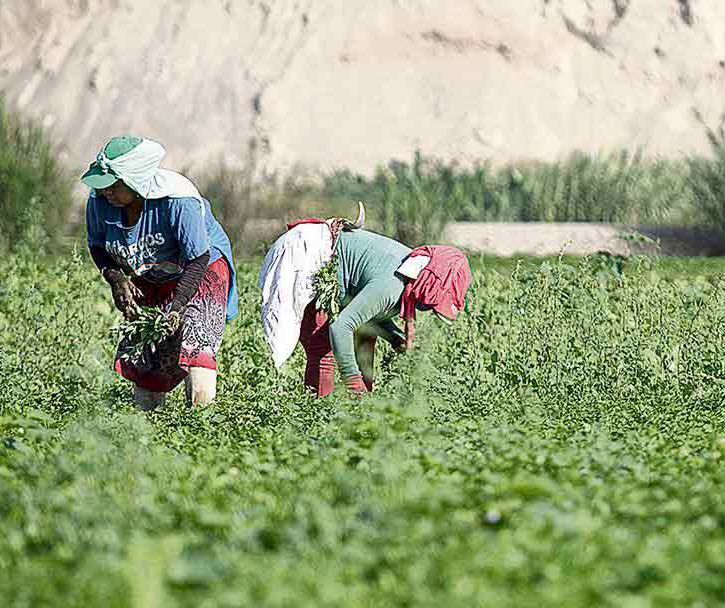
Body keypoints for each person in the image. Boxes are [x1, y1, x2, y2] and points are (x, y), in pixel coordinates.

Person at [80, 136, 237, 410]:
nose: (106, 191)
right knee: (148, 356)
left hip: (200, 269)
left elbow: (198, 258)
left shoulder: (177, 200)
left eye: (113, 186)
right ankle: (148, 435)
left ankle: (200, 428)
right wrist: (117, 279)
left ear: (134, 180)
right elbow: (98, 248)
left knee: (195, 340)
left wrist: (176, 309)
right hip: (149, 273)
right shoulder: (99, 203)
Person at [258, 213, 470, 396]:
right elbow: (341, 326)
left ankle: (356, 414)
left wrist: (394, 337)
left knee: (366, 338)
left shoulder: (409, 278)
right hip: (306, 255)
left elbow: (370, 316)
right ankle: (316, 417)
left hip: (330, 265)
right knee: (323, 350)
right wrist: (352, 379)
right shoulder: (392, 286)